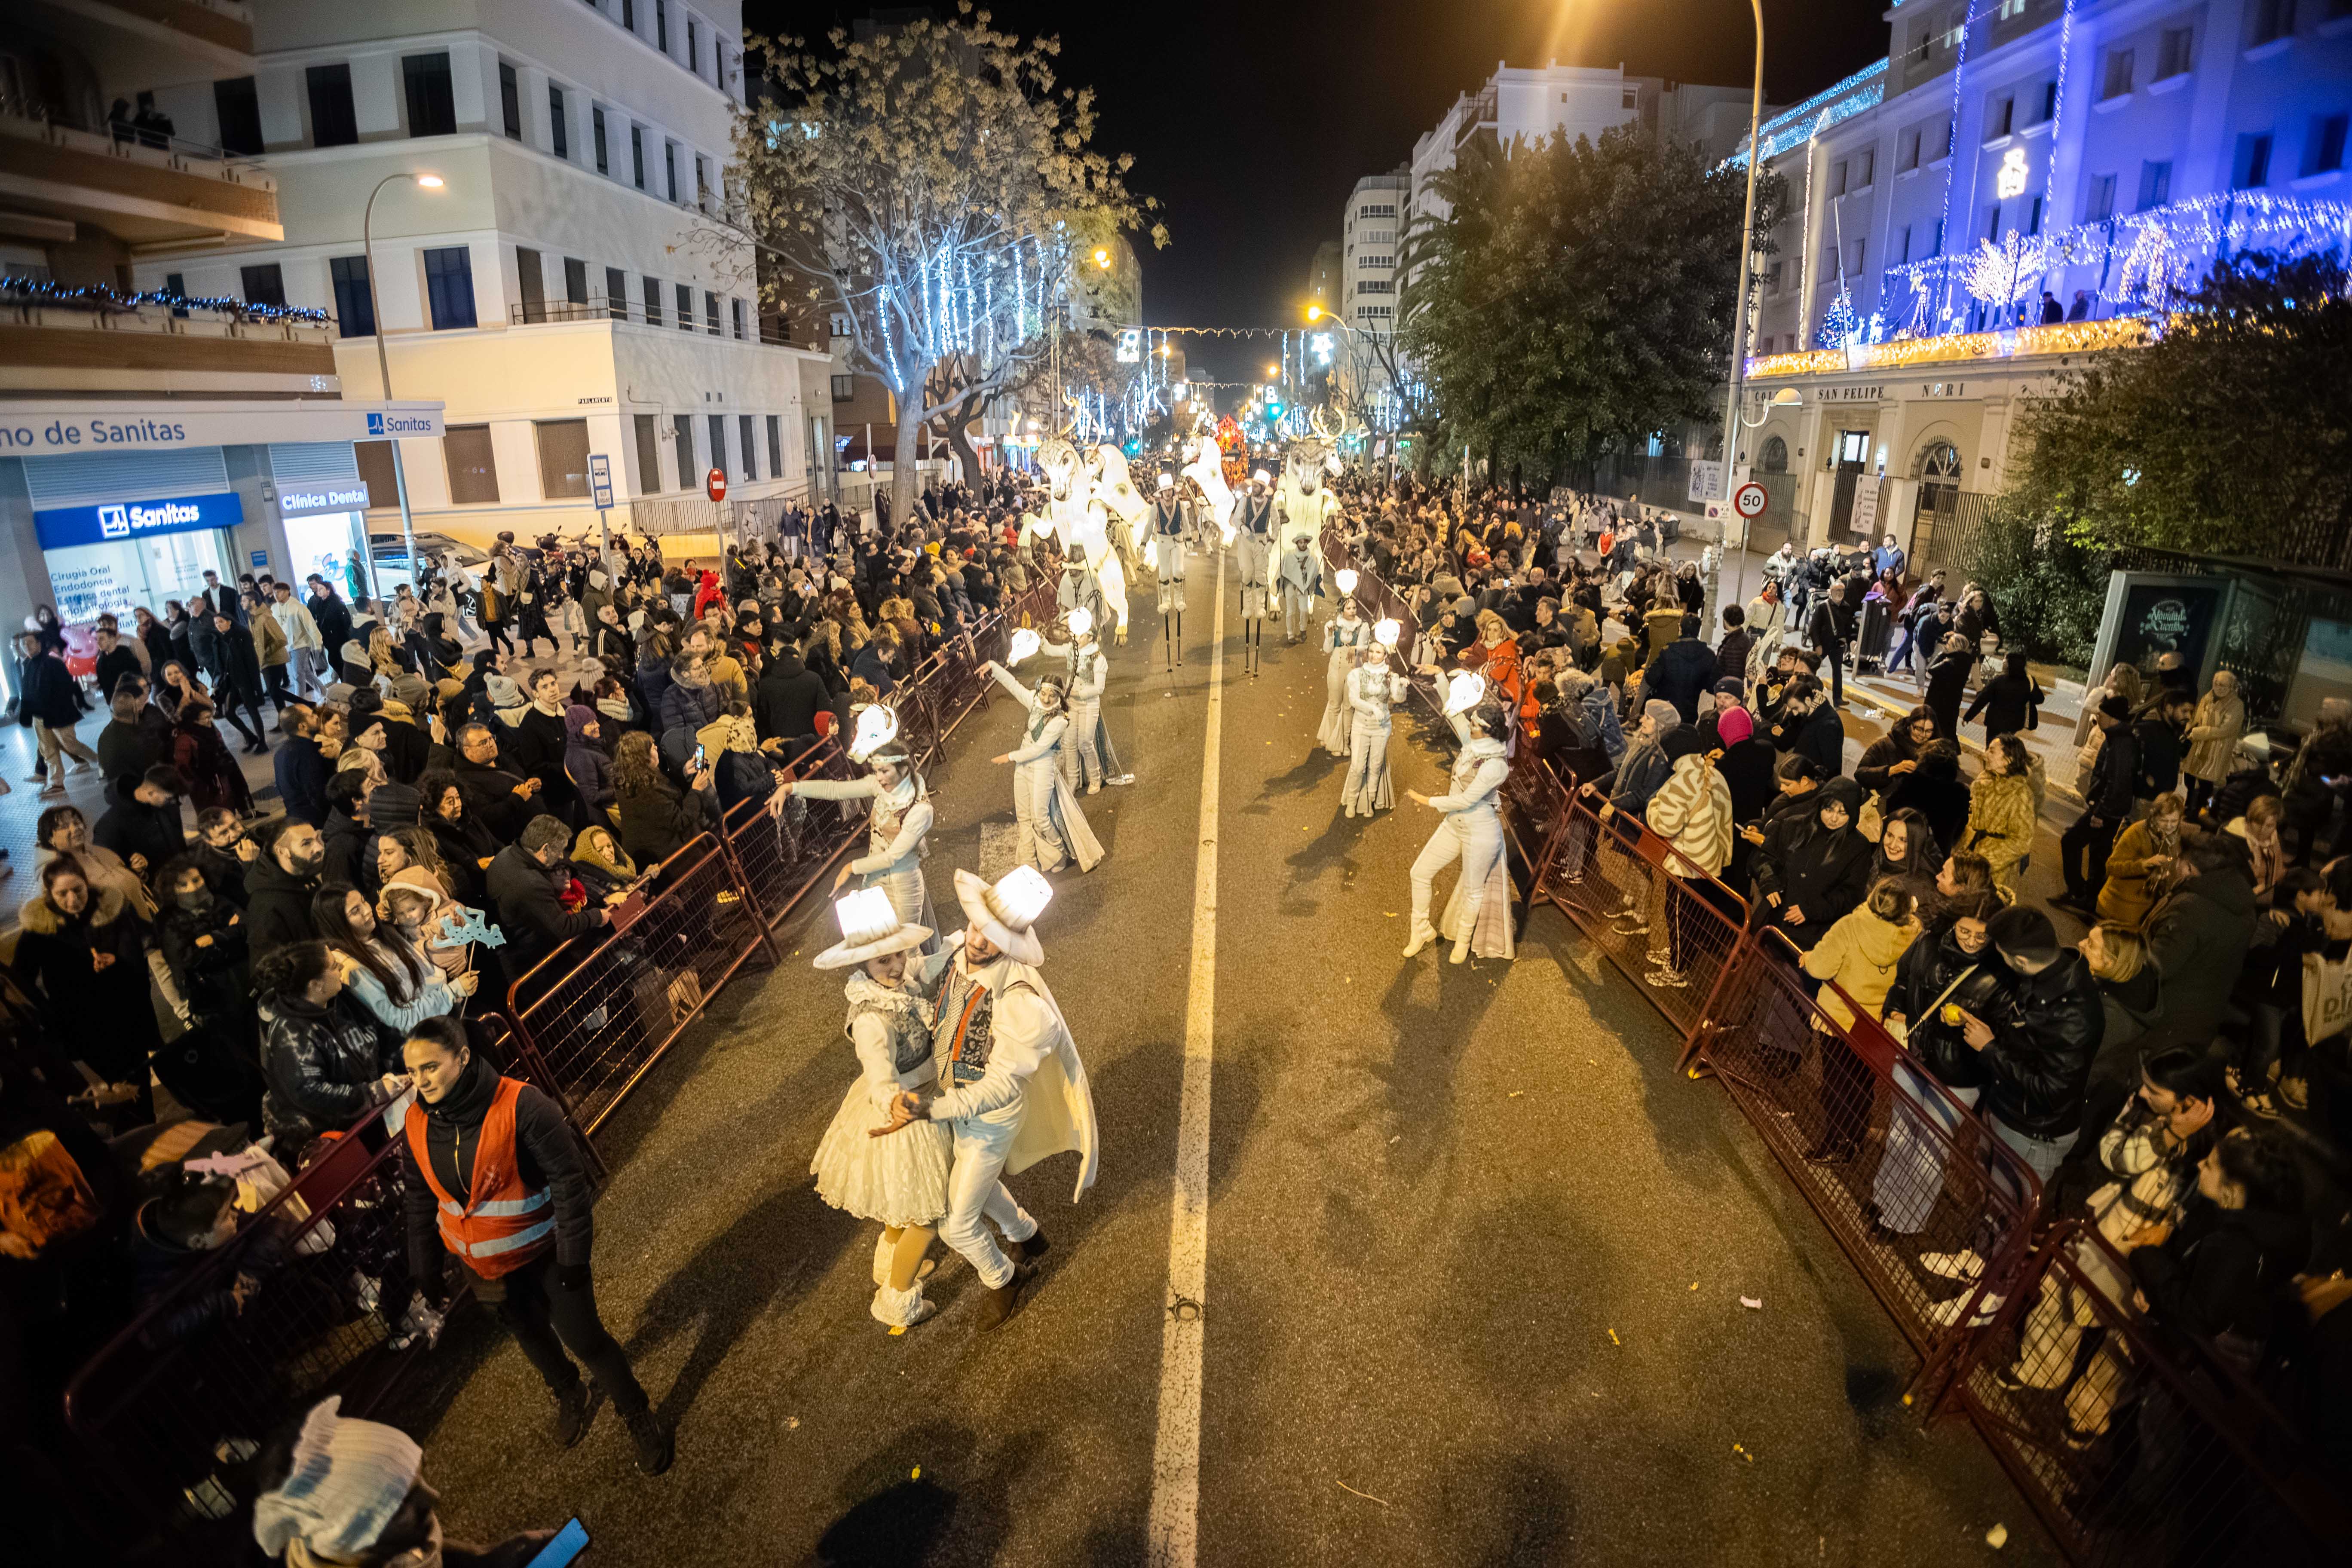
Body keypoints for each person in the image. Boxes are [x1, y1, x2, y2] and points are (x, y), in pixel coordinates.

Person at [398, 1017, 673, 1473]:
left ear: (463, 1058)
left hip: (546, 1257)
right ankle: (568, 1389)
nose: (420, 1081)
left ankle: (637, 1415)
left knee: (588, 1341)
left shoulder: (522, 1105)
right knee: (527, 1334)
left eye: (430, 1067)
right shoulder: (415, 1121)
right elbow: (418, 1196)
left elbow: (570, 1183)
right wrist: (423, 1266)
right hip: (484, 1269)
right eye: (412, 1072)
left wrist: (573, 1261)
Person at [866, 867, 1100, 1332]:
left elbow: (997, 1090)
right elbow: (923, 974)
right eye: (976, 926)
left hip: (988, 1119)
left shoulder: (1023, 1005)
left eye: (992, 936)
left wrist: (928, 1108)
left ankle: (1003, 1278)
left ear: (1013, 942)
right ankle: (1027, 1236)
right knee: (976, 1187)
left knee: (955, 1222)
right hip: (955, 1105)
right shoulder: (959, 950)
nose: (977, 940)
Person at [807, 889, 955, 1327]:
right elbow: (879, 1076)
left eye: (898, 955)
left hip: (925, 1096)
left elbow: (922, 971)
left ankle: (888, 1263)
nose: (895, 967)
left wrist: (954, 946)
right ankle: (897, 1299)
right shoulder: (872, 1017)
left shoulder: (898, 981)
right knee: (929, 1212)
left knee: (903, 1200)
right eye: (882, 962)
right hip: (905, 1112)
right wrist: (897, 1102)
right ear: (863, 968)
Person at [252, 1395, 563, 1567]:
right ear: (347, 1534)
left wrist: (489, 1559)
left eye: (419, 1478)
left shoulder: (363, 1551)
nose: (435, 1497)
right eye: (401, 1503)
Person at [1869, 891, 2008, 1241]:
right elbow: (1904, 977)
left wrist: (1978, 1030)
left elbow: (2004, 1028)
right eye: (1965, 932)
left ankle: (1905, 1221)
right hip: (1916, 1056)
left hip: (1961, 1074)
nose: (1973, 941)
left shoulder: (2002, 971)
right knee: (1901, 1135)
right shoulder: (1930, 942)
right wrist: (1898, 1005)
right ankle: (1883, 1200)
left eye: (1982, 936)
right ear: (1953, 923)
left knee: (1930, 1150)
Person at [12, 856, 160, 1123]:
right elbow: (21, 980)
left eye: (77, 890)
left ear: (87, 884)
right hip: (81, 1027)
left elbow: (137, 958)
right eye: (62, 894)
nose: (72, 900)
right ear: (49, 893)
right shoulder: (40, 928)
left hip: (125, 1017)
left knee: (138, 1088)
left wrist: (117, 962)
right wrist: (50, 1015)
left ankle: (148, 1135)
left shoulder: (112, 911)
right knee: (107, 1097)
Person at [1799, 878, 1922, 1162]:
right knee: (1861, 1085)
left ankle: (1835, 1143)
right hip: (1877, 1023)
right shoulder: (1913, 936)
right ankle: (1854, 1140)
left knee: (1836, 1085)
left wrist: (1809, 958)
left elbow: (1820, 966)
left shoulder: (1851, 926)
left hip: (1840, 1020)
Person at [777, 736, 935, 933]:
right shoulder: (880, 787)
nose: (879, 777)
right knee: (880, 948)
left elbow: (892, 858)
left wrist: (851, 867)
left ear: (903, 769)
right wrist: (793, 788)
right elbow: (835, 790)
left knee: (907, 951)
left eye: (885, 771)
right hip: (875, 882)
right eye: (876, 772)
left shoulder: (921, 811)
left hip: (903, 888)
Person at [1403, 688, 1515, 965]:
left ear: (1487, 731)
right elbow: (1454, 714)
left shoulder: (1496, 765)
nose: (1470, 724)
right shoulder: (1472, 744)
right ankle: (1421, 930)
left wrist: (1427, 800)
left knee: (1473, 890)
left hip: (1480, 832)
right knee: (1419, 872)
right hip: (1454, 825)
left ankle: (1463, 941)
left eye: (1475, 724)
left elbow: (1467, 799)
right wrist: (1442, 679)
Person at [254, 940, 403, 1145]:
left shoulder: (342, 998)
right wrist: (371, 1093)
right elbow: (311, 1092)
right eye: (334, 966)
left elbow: (383, 1034)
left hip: (375, 1116)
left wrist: (410, 1058)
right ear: (316, 985)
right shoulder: (290, 1033)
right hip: (334, 1137)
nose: (341, 967)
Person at [983, 660, 1104, 874]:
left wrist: (1010, 756)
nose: (1047, 699)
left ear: (1059, 698)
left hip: (1042, 767)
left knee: (1040, 818)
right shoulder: (1034, 701)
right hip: (1024, 766)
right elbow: (1014, 685)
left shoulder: (1060, 721)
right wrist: (993, 667)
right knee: (1024, 817)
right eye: (1044, 693)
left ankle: (1060, 853)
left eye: (1052, 695)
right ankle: (1029, 863)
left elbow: (1038, 750)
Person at [314, 881, 474, 1032]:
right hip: (428, 1035)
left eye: (364, 902)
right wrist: (451, 993)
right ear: (338, 924)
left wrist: (453, 937)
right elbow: (401, 1021)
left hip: (447, 1014)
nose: (367, 910)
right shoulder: (351, 967)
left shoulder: (386, 933)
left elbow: (427, 955)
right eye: (355, 911)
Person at [1752, 776, 1873, 953]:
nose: (1833, 818)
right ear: (1820, 805)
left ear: (1853, 814)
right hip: (1774, 922)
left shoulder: (1858, 847)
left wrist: (1811, 910)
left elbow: (1850, 894)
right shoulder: (1794, 826)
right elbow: (1766, 858)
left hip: (1813, 936)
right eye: (1829, 809)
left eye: (1843, 813)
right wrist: (1769, 882)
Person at [488, 815, 613, 982]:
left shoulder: (505, 855)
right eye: (559, 850)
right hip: (536, 962)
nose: (561, 856)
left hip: (514, 953)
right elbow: (564, 927)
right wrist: (598, 916)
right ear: (545, 849)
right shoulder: (531, 884)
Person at [609, 731, 716, 872]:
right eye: (652, 747)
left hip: (669, 852)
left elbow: (665, 787)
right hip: (674, 861)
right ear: (643, 758)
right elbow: (681, 821)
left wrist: (684, 772)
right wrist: (696, 791)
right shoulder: (645, 793)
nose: (656, 748)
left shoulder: (634, 781)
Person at [15, 629, 96, 795]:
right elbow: (27, 691)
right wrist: (26, 714)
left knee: (70, 745)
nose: (27, 646)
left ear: (39, 643)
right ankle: (56, 783)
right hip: (39, 717)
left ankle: (100, 761)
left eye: (30, 642)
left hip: (58, 715)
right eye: (24, 644)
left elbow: (66, 689)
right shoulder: (28, 664)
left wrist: (55, 710)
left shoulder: (53, 663)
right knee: (48, 750)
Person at [1341, 627, 1411, 819]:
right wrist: (1373, 709)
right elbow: (1354, 700)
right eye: (1371, 651)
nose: (1373, 655)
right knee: (1357, 766)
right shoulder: (1357, 674)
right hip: (1361, 725)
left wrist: (1400, 686)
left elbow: (1398, 699)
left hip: (1382, 728)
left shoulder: (1390, 676)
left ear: (1385, 655)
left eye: (1378, 652)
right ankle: (1353, 800)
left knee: (1375, 764)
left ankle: (1371, 801)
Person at [2095, 791, 2185, 930]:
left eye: (2174, 821)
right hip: (2117, 909)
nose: (2169, 826)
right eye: (2164, 821)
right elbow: (2111, 867)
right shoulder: (2137, 832)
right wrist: (2144, 864)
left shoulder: (2174, 838)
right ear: (2155, 817)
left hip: (2141, 914)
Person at [1964, 733, 2039, 894]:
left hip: (1995, 872)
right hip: (1969, 856)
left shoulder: (2020, 794)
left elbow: (2021, 842)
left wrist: (1985, 861)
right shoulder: (1985, 780)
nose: (1985, 755)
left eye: (1992, 751)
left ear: (2008, 760)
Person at [246, 816, 328, 958]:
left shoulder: (305, 874)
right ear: (283, 851)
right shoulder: (267, 908)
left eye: (316, 839)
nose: (319, 847)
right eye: (307, 844)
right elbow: (269, 968)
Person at [2180, 669, 2245, 817]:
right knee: (2190, 776)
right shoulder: (2207, 697)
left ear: (2231, 687)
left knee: (2207, 784)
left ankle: (2201, 812)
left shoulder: (2236, 705)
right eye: (2216, 684)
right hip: (2198, 747)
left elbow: (2225, 730)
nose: (2218, 688)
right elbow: (2196, 718)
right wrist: (2189, 729)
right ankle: (2189, 806)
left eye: (2223, 685)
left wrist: (2200, 733)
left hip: (2216, 751)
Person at [1317, 596, 1375, 757]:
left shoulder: (1362, 627)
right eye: (1349, 608)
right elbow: (1328, 649)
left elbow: (1366, 646)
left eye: (1354, 608)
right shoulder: (1334, 625)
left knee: (1349, 706)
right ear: (1342, 610)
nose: (1352, 611)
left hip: (1353, 667)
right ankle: (1332, 741)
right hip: (1336, 664)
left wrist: (1356, 648)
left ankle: (1345, 741)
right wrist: (1329, 636)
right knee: (1335, 703)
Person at [1963, 652, 2043, 744]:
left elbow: (1982, 700)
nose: (2003, 661)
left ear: (2009, 664)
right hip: (2014, 724)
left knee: (1992, 748)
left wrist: (1968, 717)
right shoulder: (2029, 681)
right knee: (2006, 747)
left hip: (1995, 724)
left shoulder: (1999, 681)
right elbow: (2040, 699)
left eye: (2005, 659)